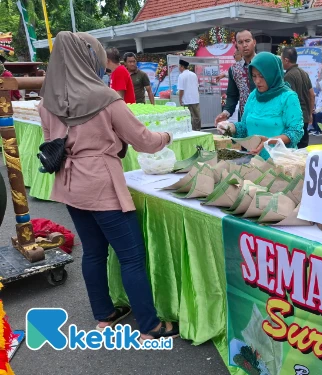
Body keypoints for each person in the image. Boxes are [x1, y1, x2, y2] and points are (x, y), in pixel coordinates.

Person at [39, 31, 178, 340]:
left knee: (93, 252)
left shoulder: (48, 102)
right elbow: (144, 141)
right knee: (130, 256)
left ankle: (104, 315)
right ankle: (150, 326)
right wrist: (167, 136)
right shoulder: (104, 97)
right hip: (101, 182)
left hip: (70, 183)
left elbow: (51, 142)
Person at [216, 52, 303, 160]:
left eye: (262, 76)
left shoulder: (288, 97)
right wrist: (231, 127)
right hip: (254, 160)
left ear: (272, 74)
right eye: (254, 76)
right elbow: (244, 127)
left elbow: (296, 132)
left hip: (279, 162)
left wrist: (269, 141)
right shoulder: (253, 95)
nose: (257, 81)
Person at [215, 30, 257, 123]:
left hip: (267, 119)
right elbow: (232, 96)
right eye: (240, 42)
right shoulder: (234, 70)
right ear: (237, 46)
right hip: (244, 120)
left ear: (254, 42)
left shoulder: (265, 64)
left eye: (247, 41)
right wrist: (225, 113)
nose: (244, 45)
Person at [281, 46, 315, 148]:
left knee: (294, 150)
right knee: (304, 148)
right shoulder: (304, 73)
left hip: (295, 118)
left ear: (286, 60)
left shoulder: (288, 76)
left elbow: (289, 100)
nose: (281, 62)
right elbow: (312, 95)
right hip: (305, 116)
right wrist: (310, 114)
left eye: (282, 59)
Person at [177, 60, 201, 131]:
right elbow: (197, 86)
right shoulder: (194, 74)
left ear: (182, 67)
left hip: (186, 99)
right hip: (195, 99)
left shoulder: (181, 76)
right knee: (197, 116)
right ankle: (197, 130)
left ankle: (190, 131)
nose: (179, 68)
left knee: (188, 116)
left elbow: (181, 90)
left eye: (179, 66)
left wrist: (180, 99)